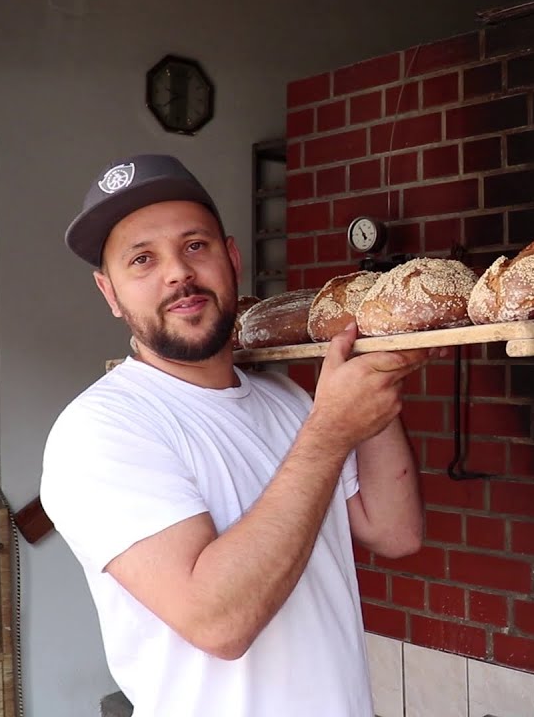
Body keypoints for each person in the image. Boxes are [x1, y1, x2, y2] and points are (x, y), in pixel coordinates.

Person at [40, 154, 429, 717]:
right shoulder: (99, 431)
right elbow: (219, 623)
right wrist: (329, 428)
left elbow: (396, 532)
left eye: (194, 245)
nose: (177, 273)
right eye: (142, 260)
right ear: (111, 294)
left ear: (232, 258)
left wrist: (373, 371)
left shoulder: (288, 399)